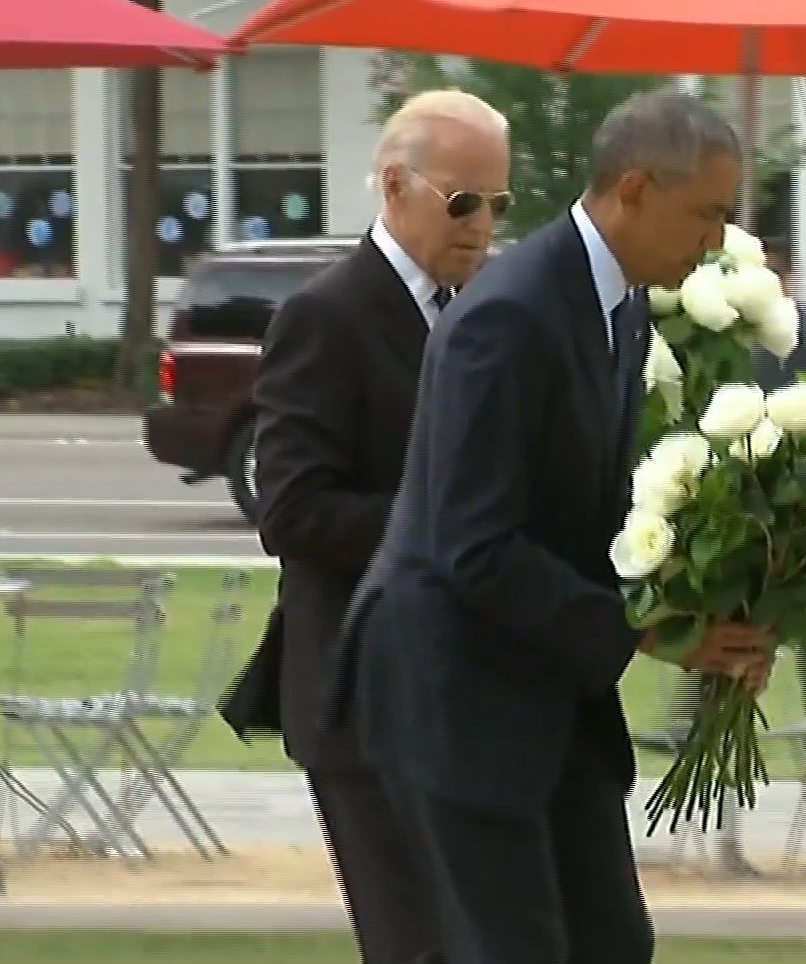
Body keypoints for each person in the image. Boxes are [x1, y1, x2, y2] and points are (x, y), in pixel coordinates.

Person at [321, 89, 774, 964]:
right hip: (453, 695)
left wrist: (712, 590)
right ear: (634, 188)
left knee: (611, 942)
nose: (717, 241)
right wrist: (649, 632)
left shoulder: (620, 304)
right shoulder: (511, 314)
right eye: (706, 213)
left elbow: (579, 511)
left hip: (542, 694)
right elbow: (472, 545)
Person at [229, 89, 513, 964]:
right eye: (463, 202)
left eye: (497, 205)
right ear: (395, 186)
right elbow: (293, 511)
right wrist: (450, 524)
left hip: (473, 701)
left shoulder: (487, 311)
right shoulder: (326, 315)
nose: (482, 226)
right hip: (363, 696)